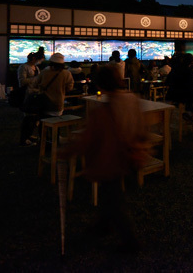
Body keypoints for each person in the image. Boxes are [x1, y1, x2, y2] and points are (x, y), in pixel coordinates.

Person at [67, 65, 148, 253]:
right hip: (132, 156)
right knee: (110, 195)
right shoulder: (133, 99)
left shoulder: (104, 110)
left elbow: (88, 139)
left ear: (100, 84)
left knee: (113, 199)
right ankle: (103, 224)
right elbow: (141, 129)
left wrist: (67, 151)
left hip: (112, 160)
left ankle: (131, 243)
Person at [166, 53, 193, 122]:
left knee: (190, 93)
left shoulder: (174, 69)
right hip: (184, 96)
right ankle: (190, 112)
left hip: (172, 95)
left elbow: (167, 81)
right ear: (191, 62)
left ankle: (188, 112)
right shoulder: (189, 71)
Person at [34, 53, 74, 117]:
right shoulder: (67, 73)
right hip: (58, 104)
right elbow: (69, 88)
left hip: (44, 103)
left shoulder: (44, 72)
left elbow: (35, 84)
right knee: (56, 122)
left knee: (43, 123)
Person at [17, 52, 43, 146]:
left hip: (35, 94)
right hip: (27, 94)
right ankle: (25, 138)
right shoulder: (23, 67)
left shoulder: (36, 68)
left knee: (34, 117)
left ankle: (29, 135)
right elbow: (22, 81)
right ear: (33, 59)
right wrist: (35, 79)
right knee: (28, 117)